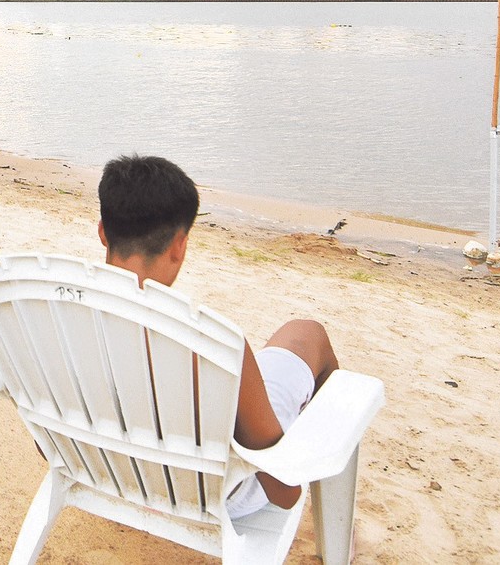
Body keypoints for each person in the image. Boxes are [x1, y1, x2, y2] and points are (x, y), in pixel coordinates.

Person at [96, 154, 340, 517]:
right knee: (308, 333)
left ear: (102, 231)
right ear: (179, 246)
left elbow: (44, 445)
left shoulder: (48, 315)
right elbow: (284, 493)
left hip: (107, 469)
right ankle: (333, 516)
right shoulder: (208, 345)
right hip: (214, 493)